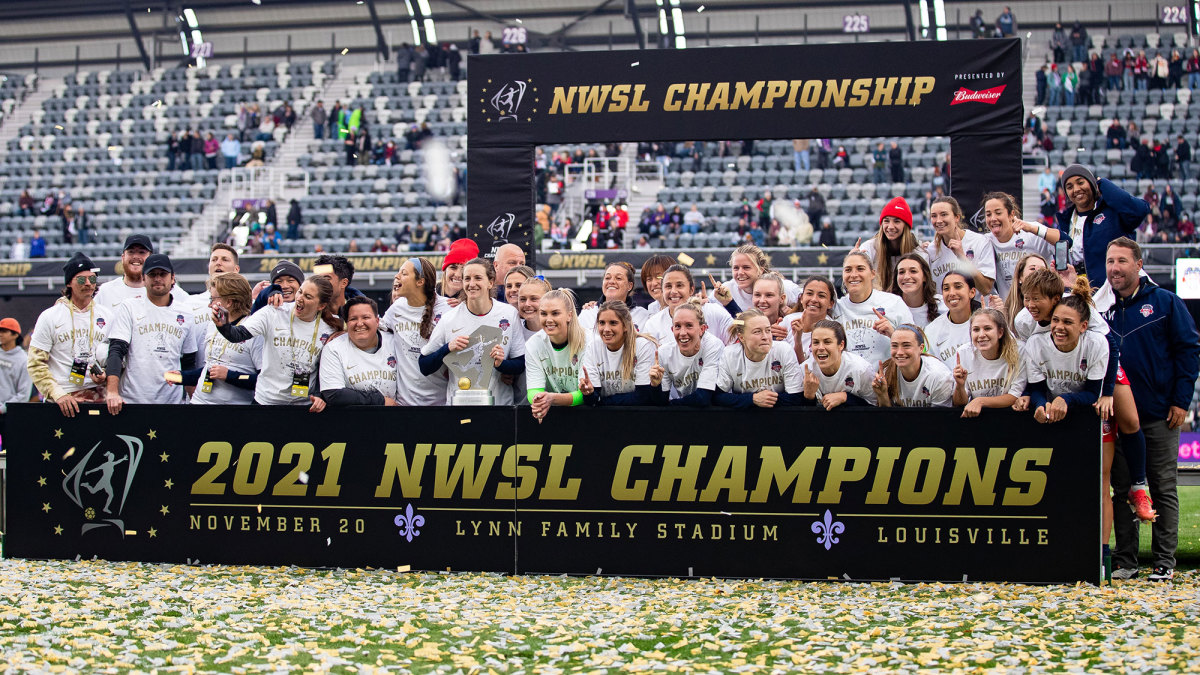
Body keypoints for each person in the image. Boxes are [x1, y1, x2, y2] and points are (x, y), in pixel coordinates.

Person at [1104, 238, 1200, 581]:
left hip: (1159, 413)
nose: (1114, 267)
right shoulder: (1101, 308)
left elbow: (1189, 351)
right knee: (1122, 487)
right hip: (1116, 418)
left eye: (1122, 261)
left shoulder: (1165, 302)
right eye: (1110, 261)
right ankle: (1126, 559)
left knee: (1161, 486)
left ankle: (1163, 562)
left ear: (1139, 265)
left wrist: (1180, 400)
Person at [215, 276, 341, 410]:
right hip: (267, 401)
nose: (300, 298)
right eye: (300, 292)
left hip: (304, 405)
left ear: (321, 305)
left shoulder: (330, 328)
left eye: (308, 297)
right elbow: (237, 335)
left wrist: (319, 395)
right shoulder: (274, 312)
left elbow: (325, 369)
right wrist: (223, 325)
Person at [420, 257, 526, 405]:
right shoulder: (449, 319)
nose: (471, 284)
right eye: (467, 278)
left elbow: (520, 363)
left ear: (490, 282)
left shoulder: (509, 314)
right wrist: (447, 348)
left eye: (478, 278)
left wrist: (501, 364)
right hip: (460, 409)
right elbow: (424, 365)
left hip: (499, 408)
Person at [104, 254, 201, 413]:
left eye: (162, 274)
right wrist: (112, 392)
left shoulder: (186, 313)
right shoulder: (130, 307)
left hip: (172, 402)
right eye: (152, 274)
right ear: (143, 279)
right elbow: (116, 351)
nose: (157, 279)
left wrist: (195, 400)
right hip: (132, 401)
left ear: (172, 278)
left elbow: (188, 362)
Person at [27, 253, 111, 416]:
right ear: (69, 283)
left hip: (100, 401)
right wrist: (58, 395)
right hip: (63, 403)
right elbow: (35, 364)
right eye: (81, 279)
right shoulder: (50, 316)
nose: (88, 283)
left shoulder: (108, 316)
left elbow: (118, 358)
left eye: (92, 279)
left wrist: (106, 374)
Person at [1055, 164, 1150, 288]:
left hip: (1114, 290)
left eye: (1081, 182)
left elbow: (1140, 210)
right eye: (1070, 187)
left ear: (1092, 183)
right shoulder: (1065, 221)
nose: (1076, 189)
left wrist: (1104, 184)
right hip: (1079, 291)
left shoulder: (1113, 212)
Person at [381, 257, 451, 407]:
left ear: (420, 281)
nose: (396, 276)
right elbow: (376, 329)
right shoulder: (396, 308)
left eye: (404, 273)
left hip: (441, 404)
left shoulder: (448, 308)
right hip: (405, 405)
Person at [189, 272, 261, 405]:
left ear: (229, 302)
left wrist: (230, 376)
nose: (210, 305)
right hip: (199, 403)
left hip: (232, 412)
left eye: (213, 299)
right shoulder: (214, 324)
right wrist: (178, 376)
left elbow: (263, 381)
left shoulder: (253, 330)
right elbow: (209, 369)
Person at [317, 297, 398, 407]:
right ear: (347, 323)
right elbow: (333, 394)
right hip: (352, 420)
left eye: (366, 317)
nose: (359, 324)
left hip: (395, 417)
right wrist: (380, 401)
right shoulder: (333, 348)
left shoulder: (395, 342)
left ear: (377, 321)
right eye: (353, 319)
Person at [837, 250, 914, 365]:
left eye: (860, 269)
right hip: (850, 381)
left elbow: (920, 348)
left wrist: (893, 333)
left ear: (872, 274)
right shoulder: (836, 307)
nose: (853, 275)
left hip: (889, 379)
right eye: (848, 270)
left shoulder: (893, 302)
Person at [714, 309, 802, 408]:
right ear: (741, 337)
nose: (765, 337)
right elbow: (718, 396)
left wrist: (765, 400)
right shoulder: (730, 354)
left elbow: (796, 397)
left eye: (768, 330)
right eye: (757, 332)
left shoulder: (784, 350)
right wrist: (752, 399)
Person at [950, 308, 1026, 418]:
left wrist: (980, 401)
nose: (981, 335)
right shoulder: (963, 353)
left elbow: (1014, 396)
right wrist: (960, 386)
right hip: (978, 419)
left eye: (987, 328)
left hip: (1011, 418)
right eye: (976, 330)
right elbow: (959, 403)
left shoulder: (1018, 351)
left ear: (1000, 332)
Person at [982, 192, 1058, 300]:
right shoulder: (986, 241)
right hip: (1011, 309)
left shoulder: (1030, 232)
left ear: (1011, 215)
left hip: (1042, 303)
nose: (993, 218)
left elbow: (1064, 241)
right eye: (988, 214)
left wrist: (1033, 229)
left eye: (998, 213)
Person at [579, 301, 657, 406]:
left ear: (625, 326)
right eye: (602, 323)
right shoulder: (593, 347)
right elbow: (593, 400)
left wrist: (601, 402)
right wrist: (588, 394)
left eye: (613, 323)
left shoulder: (642, 346)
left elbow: (642, 396)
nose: (606, 329)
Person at [525, 288, 587, 421]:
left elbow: (586, 395)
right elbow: (533, 390)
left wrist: (552, 398)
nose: (549, 319)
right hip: (553, 416)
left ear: (569, 315)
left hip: (588, 415)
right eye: (543, 314)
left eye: (555, 313)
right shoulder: (533, 344)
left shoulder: (588, 342)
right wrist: (539, 401)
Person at [649, 299, 721, 407]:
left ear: (702, 329)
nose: (682, 333)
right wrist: (655, 386)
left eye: (689, 325)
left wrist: (672, 405)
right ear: (672, 329)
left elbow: (704, 398)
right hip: (685, 412)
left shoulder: (713, 345)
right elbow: (660, 402)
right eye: (678, 326)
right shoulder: (664, 353)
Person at [642, 264, 733, 346]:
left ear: (691, 290)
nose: (673, 291)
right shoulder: (653, 324)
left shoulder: (713, 311)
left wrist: (730, 304)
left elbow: (741, 330)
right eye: (668, 286)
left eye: (679, 285)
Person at [924, 197, 996, 294]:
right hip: (946, 309)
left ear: (957, 217)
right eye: (934, 216)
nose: (938, 220)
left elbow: (986, 289)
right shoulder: (930, 250)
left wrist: (962, 257)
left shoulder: (980, 242)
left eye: (944, 214)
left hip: (978, 308)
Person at [799, 319, 877, 409]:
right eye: (816, 342)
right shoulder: (804, 371)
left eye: (827, 342)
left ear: (841, 345)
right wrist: (809, 396)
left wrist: (846, 398)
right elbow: (799, 416)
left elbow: (874, 408)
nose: (820, 347)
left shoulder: (861, 369)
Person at [95, 235, 189, 308]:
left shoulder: (169, 291)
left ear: (151, 257)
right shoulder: (106, 291)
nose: (136, 256)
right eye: (131, 252)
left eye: (142, 252)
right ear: (123, 257)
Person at [871, 325, 954, 407]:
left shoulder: (938, 376)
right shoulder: (886, 372)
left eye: (906, 345)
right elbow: (886, 417)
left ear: (921, 348)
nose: (899, 352)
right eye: (895, 346)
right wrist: (882, 395)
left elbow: (941, 418)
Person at [711, 244, 801, 313]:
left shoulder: (781, 286)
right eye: (736, 268)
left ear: (760, 270)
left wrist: (792, 315)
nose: (740, 273)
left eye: (746, 267)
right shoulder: (726, 290)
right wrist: (703, 303)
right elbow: (736, 325)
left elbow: (808, 301)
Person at [858, 197, 919, 292]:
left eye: (897, 221)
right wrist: (853, 260)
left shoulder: (917, 250)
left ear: (906, 226)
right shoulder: (869, 248)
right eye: (886, 221)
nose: (890, 227)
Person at [924, 271, 980, 367]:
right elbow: (930, 368)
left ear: (972, 292)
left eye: (958, 287)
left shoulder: (989, 322)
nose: (951, 293)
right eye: (946, 288)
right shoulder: (931, 330)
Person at [781, 276, 837, 363]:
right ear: (802, 298)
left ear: (830, 304)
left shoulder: (833, 331)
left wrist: (797, 341)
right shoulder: (787, 321)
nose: (814, 299)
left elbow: (808, 369)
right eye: (809, 294)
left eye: (821, 296)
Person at [580, 263, 648, 331]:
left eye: (618, 278)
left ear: (629, 286)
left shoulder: (642, 315)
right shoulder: (588, 314)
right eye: (607, 278)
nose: (611, 281)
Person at [888, 253, 943, 330]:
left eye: (913, 271)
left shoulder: (942, 304)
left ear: (925, 276)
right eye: (901, 272)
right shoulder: (888, 307)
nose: (906, 277)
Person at [0, 317, 33, 413]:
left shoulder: (24, 360)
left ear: (15, 335)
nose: (0, 334)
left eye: (4, 331)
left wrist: (2, 409)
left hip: (9, 414)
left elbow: (24, 394)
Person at [439, 238, 478, 304]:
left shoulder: (479, 301)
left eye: (464, 269)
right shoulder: (429, 293)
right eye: (453, 267)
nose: (458, 274)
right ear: (445, 269)